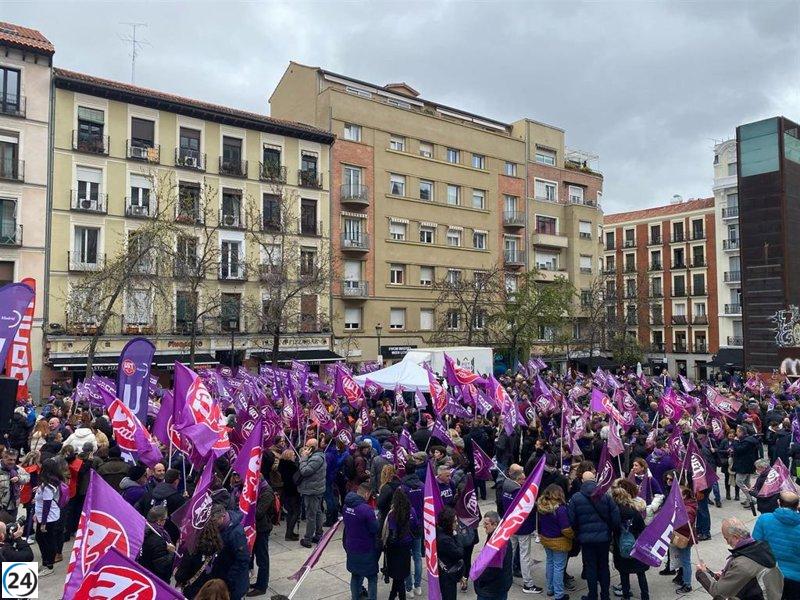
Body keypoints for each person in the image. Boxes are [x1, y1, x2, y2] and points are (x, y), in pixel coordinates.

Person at [696, 517, 784, 600]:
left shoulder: (742, 564)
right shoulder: (761, 548)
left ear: (735, 537)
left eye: (727, 538)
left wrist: (701, 573)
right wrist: (726, 575)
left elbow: (718, 592)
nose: (727, 542)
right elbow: (750, 578)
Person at [567, 469, 620, 600]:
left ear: (582, 481)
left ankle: (592, 595)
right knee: (604, 566)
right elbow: (616, 517)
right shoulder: (606, 496)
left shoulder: (576, 498)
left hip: (586, 539)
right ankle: (605, 595)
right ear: (595, 480)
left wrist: (578, 532)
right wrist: (611, 530)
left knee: (591, 567)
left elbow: (571, 520)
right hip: (604, 538)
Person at [501, 464, 543, 594]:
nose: (525, 481)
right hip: (522, 527)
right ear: (518, 479)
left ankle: (505, 575)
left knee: (510, 552)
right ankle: (528, 584)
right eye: (523, 479)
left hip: (510, 525)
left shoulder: (505, 487)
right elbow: (527, 510)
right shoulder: (519, 491)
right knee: (524, 555)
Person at [753, 491, 800, 598]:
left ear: (779, 502)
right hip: (796, 579)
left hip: (770, 575)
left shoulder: (764, 519)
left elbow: (755, 547)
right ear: (797, 505)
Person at [610, 483, 649, 600]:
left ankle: (626, 596)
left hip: (620, 545)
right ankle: (645, 596)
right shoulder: (634, 511)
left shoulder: (614, 512)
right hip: (636, 545)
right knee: (641, 573)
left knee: (624, 573)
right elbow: (642, 528)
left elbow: (613, 528)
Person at [343, 482, 379, 600]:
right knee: (372, 577)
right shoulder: (366, 510)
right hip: (366, 548)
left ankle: (355, 597)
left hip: (351, 547)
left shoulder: (346, 506)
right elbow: (374, 528)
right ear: (367, 494)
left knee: (355, 575)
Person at [537, 483, 574, 600]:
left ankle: (550, 588)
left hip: (546, 539)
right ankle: (559, 594)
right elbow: (566, 529)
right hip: (559, 541)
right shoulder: (561, 509)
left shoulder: (541, 506)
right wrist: (573, 535)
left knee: (550, 563)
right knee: (559, 567)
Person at [175, 515, 224, 599]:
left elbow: (182, 574)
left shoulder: (192, 549)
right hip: (209, 588)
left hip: (192, 590)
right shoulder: (218, 545)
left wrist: (177, 574)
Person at [381, 487, 418, 600]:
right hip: (406, 547)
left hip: (395, 548)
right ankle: (393, 595)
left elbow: (391, 531)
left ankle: (396, 596)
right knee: (400, 576)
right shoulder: (411, 511)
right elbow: (415, 525)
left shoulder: (392, 514)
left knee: (398, 576)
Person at [210, 504, 250, 600]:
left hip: (234, 583)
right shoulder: (221, 528)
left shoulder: (236, 534)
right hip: (222, 575)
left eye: (215, 521)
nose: (213, 524)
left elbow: (242, 560)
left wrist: (229, 580)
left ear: (223, 517)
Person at [136, 468, 186, 542]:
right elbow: (183, 519)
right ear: (176, 481)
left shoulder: (148, 494)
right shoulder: (178, 499)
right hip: (168, 538)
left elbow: (137, 509)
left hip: (147, 534)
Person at [33, 458, 64, 577]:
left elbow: (46, 505)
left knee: (46, 541)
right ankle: (46, 562)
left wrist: (44, 523)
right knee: (41, 539)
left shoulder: (48, 486)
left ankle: (49, 565)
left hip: (48, 519)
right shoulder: (48, 482)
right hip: (45, 516)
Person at [473, 511, 513, 600]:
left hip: (491, 589)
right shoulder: (498, 535)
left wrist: (479, 578)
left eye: (486, 524)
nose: (484, 526)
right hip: (500, 585)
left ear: (494, 524)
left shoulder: (497, 544)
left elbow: (493, 569)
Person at [247, 476, 276, 597]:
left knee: (262, 558)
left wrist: (248, 507)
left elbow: (259, 513)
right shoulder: (257, 489)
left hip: (262, 529)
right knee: (252, 555)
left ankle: (262, 586)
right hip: (254, 528)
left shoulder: (266, 491)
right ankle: (258, 582)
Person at [297, 438, 326, 548]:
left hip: (312, 490)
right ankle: (319, 534)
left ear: (312, 447)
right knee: (317, 512)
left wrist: (304, 458)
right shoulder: (318, 455)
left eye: (307, 446)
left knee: (311, 515)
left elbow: (305, 471)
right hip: (316, 488)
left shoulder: (316, 458)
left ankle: (308, 539)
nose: (305, 447)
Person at [138, 505, 176, 584]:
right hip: (153, 579)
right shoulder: (159, 540)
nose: (166, 521)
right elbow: (162, 566)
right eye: (165, 519)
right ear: (159, 521)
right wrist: (171, 553)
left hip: (140, 571)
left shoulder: (141, 528)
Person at [672, 485, 697, 594]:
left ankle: (687, 584)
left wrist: (675, 517)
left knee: (685, 561)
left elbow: (687, 524)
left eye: (678, 494)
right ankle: (682, 579)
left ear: (685, 495)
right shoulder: (684, 505)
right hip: (682, 536)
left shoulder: (688, 509)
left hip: (685, 539)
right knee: (682, 560)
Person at [436, 506, 463, 600]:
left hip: (446, 572)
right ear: (448, 523)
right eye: (454, 521)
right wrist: (456, 536)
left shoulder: (440, 532)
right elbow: (459, 553)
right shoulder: (445, 540)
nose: (456, 523)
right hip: (447, 576)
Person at [732, 425, 760, 508]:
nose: (736, 433)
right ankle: (749, 499)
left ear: (741, 432)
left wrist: (735, 442)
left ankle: (750, 499)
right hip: (748, 465)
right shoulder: (749, 440)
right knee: (747, 483)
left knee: (739, 481)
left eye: (737, 431)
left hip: (743, 466)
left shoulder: (746, 442)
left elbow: (739, 450)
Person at [0, 449, 29, 523]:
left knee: (11, 527)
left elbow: (27, 477)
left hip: (14, 505)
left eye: (14, 460)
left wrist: (19, 478)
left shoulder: (17, 469)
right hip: (1, 506)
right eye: (10, 459)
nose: (12, 462)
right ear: (3, 457)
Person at [278, 449, 300, 541]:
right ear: (289, 456)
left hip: (286, 491)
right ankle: (289, 534)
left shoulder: (282, 465)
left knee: (290, 512)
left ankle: (289, 532)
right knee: (295, 512)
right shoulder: (292, 467)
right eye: (293, 455)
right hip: (293, 491)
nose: (295, 456)